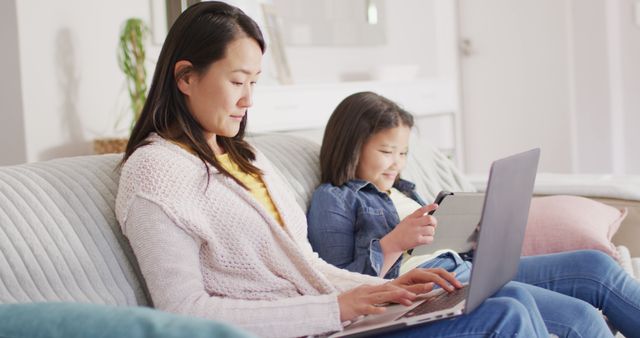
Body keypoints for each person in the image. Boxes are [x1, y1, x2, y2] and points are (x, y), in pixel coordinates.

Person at [115, 2, 555, 337]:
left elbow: (306, 266)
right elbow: (182, 311)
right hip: (315, 328)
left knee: (508, 294)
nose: (249, 99)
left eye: (254, 82)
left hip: (337, 319)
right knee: (506, 312)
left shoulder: (247, 157)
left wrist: (385, 290)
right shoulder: (155, 172)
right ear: (186, 77)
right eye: (236, 81)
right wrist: (340, 308)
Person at [307, 91, 640, 338]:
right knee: (579, 318)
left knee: (594, 266)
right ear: (351, 146)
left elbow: (436, 243)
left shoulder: (403, 189)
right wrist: (393, 243)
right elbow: (340, 283)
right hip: (432, 284)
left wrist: (477, 235)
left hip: (467, 268)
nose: (397, 162)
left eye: (403, 152)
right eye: (386, 151)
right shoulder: (334, 199)